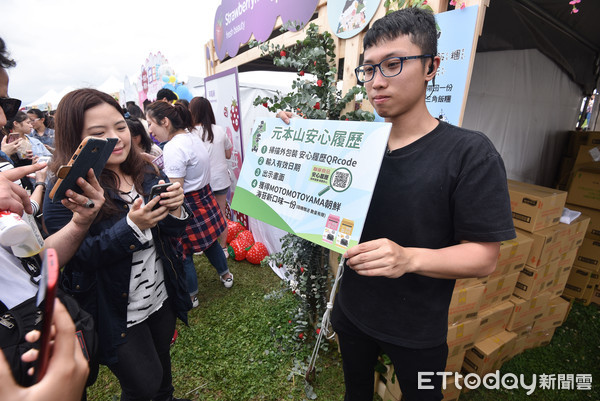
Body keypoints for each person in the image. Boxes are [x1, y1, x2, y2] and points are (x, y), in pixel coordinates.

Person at [281, 8, 515, 401]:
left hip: (417, 326)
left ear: (431, 67)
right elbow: (319, 198)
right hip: (352, 310)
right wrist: (298, 140)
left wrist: (408, 259)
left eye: (393, 65)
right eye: (368, 70)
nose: (376, 82)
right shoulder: (359, 148)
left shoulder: (469, 153)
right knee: (356, 392)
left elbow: (484, 257)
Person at [43, 88, 192, 401]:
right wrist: (132, 227)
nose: (117, 138)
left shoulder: (146, 169)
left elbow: (170, 231)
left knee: (163, 373)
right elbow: (78, 259)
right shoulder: (67, 191)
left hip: (159, 296)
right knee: (142, 386)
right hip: (115, 311)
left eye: (121, 126)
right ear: (76, 141)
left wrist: (176, 207)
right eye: (99, 134)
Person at [2, 37, 101, 400]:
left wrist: (80, 224)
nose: (3, 118)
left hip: (43, 335)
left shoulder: (4, 178)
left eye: (6, 104)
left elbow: (37, 255)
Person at [146, 100, 232, 310]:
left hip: (187, 202)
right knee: (211, 241)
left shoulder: (174, 147)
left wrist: (171, 213)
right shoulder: (191, 136)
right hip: (205, 195)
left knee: (184, 252)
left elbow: (176, 191)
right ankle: (226, 275)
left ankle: (192, 295)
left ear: (164, 121)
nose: (150, 130)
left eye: (150, 123)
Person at [189, 96, 233, 253]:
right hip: (221, 180)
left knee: (200, 217)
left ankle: (202, 247)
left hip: (200, 183)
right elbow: (228, 154)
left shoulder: (190, 133)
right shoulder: (219, 130)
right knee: (221, 215)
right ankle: (223, 248)